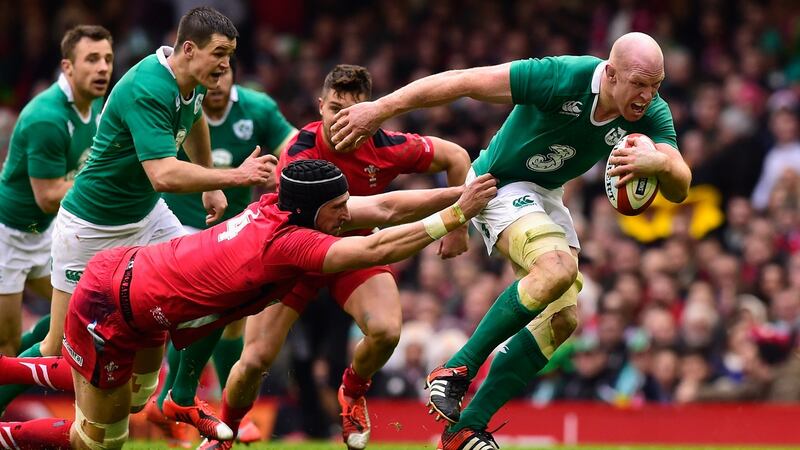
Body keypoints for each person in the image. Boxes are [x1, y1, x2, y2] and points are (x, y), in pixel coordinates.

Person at [331, 32, 692, 449]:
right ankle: (455, 370)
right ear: (610, 74)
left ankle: (465, 428)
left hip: (545, 195)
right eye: (640, 83)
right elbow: (463, 81)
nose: (648, 95)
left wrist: (659, 162)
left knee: (562, 320)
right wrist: (378, 109)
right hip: (496, 184)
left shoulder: (651, 113)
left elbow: (681, 186)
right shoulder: (561, 77)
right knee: (557, 268)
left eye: (656, 85)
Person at [0, 159, 497, 450]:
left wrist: (463, 192)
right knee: (99, 440)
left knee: (133, 395)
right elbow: (377, 246)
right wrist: (456, 215)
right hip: (113, 307)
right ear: (312, 211)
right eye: (339, 208)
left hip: (136, 281)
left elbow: (384, 208)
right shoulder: (289, 245)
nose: (348, 214)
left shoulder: (276, 207)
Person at [0, 6, 276, 413]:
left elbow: (194, 117)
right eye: (219, 53)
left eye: (230, 55)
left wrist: (209, 181)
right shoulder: (148, 87)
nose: (226, 64)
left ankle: (175, 396)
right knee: (55, 347)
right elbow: (163, 174)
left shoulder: (193, 76)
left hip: (147, 218)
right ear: (188, 49)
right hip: (90, 228)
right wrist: (235, 176)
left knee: (216, 284)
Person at [195, 63, 471, 450]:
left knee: (388, 331)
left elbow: (456, 156)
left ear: (370, 112)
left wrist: (460, 228)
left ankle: (353, 392)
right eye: (334, 109)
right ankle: (226, 432)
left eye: (353, 111)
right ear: (319, 106)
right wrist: (432, 213)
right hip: (295, 255)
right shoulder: (301, 153)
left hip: (353, 254)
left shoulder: (387, 146)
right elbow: (353, 215)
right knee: (255, 360)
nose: (343, 120)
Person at [146, 62, 298, 446]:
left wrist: (299, 169)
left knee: (233, 321)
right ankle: (174, 397)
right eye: (211, 76)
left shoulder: (257, 108)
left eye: (224, 73)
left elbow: (293, 146)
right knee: (203, 309)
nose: (217, 83)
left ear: (233, 75)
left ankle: (225, 409)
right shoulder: (176, 104)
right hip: (180, 223)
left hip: (232, 229)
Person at [0, 25, 113, 361]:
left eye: (107, 59)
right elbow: (48, 196)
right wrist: (102, 182)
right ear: (67, 67)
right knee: (5, 347)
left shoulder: (96, 106)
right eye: (91, 59)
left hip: (45, 235)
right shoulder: (46, 117)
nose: (103, 68)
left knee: (77, 313)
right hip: (8, 240)